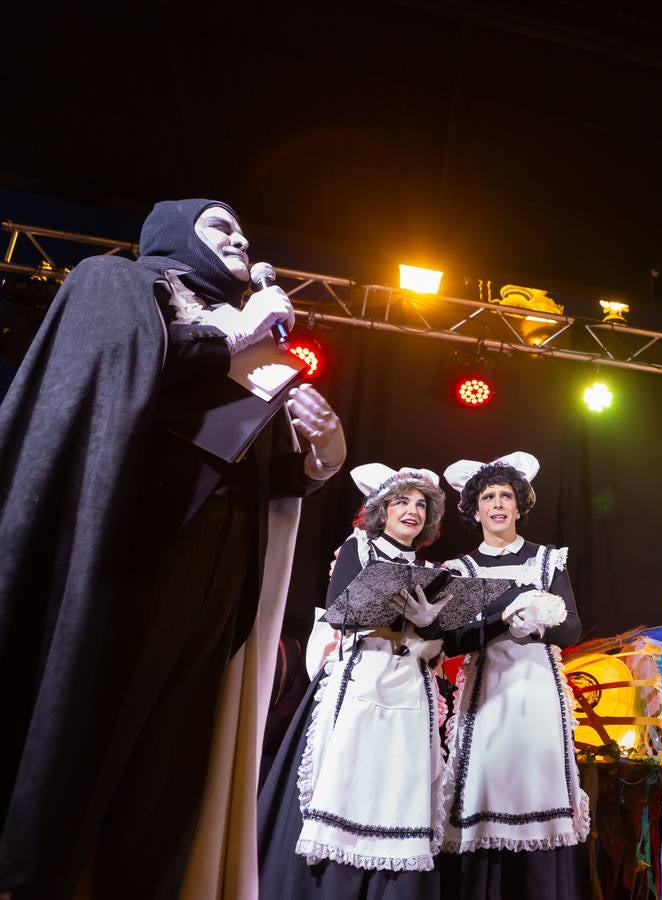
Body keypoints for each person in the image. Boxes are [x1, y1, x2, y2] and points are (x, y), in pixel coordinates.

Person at [0, 199, 346, 899]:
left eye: (245, 231)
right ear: (170, 235)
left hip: (218, 577)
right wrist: (233, 339)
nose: (240, 239)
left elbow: (250, 469)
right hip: (128, 556)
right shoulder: (122, 283)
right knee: (90, 727)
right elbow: (110, 374)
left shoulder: (256, 342)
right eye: (220, 227)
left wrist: (317, 454)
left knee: (172, 760)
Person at [259, 464, 473, 897]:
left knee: (399, 787)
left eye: (421, 505)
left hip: (410, 686)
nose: (412, 511)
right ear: (382, 509)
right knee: (346, 779)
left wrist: (431, 625)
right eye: (402, 502)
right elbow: (343, 609)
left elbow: (444, 638)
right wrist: (408, 619)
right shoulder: (358, 548)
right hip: (360, 680)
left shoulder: (433, 569)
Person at [440, 452, 588, 900]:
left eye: (507, 495)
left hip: (538, 691)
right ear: (475, 508)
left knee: (538, 787)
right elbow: (455, 640)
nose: (498, 503)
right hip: (487, 695)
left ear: (521, 504)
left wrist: (537, 623)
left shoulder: (546, 561)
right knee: (483, 790)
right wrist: (504, 621)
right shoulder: (462, 569)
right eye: (488, 496)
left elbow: (572, 629)